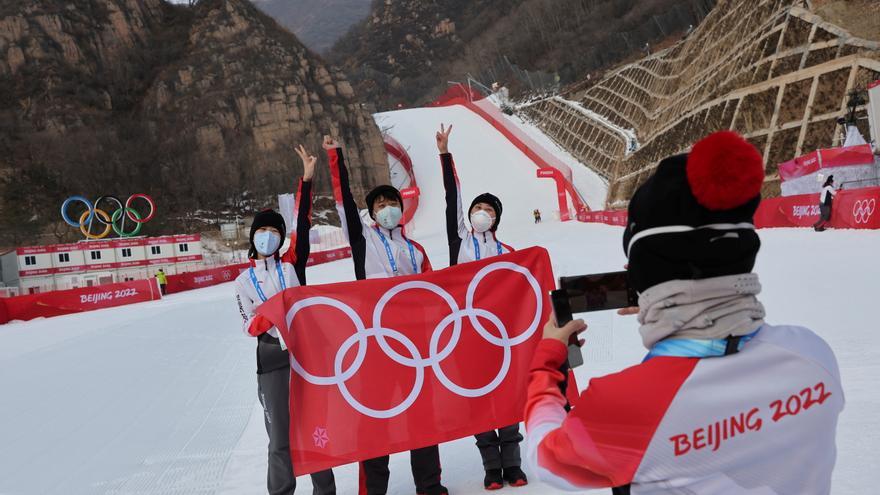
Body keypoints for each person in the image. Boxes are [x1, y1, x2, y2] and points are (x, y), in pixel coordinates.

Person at [524, 131, 844, 494]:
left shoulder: (627, 405)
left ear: (644, 270)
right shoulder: (812, 355)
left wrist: (548, 361)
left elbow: (545, 457)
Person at [324, 135, 447, 495]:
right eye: (379, 204)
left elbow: (434, 295)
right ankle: (372, 489)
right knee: (374, 420)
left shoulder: (415, 249)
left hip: (413, 347)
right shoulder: (364, 240)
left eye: (392, 202)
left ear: (401, 207)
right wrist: (335, 158)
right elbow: (343, 201)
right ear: (372, 212)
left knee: (420, 416)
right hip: (374, 344)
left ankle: (430, 484)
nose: (387, 207)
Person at [234, 145, 336, 495]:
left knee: (316, 431)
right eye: (262, 233)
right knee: (279, 438)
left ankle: (325, 491)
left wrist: (307, 180)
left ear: (280, 240)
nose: (268, 237)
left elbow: (302, 225)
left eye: (274, 233)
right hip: (272, 361)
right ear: (254, 238)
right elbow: (248, 325)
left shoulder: (292, 265)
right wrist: (272, 315)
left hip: (305, 356)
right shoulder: (243, 281)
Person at [436, 124, 526, 490]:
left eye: (488, 209)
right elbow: (451, 199)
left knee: (506, 398)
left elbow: (525, 295)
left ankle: (513, 466)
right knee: (479, 402)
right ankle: (492, 468)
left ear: (496, 218)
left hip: (499, 336)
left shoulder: (508, 254)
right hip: (465, 336)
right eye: (477, 208)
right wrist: (444, 155)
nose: (481, 213)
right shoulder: (460, 243)